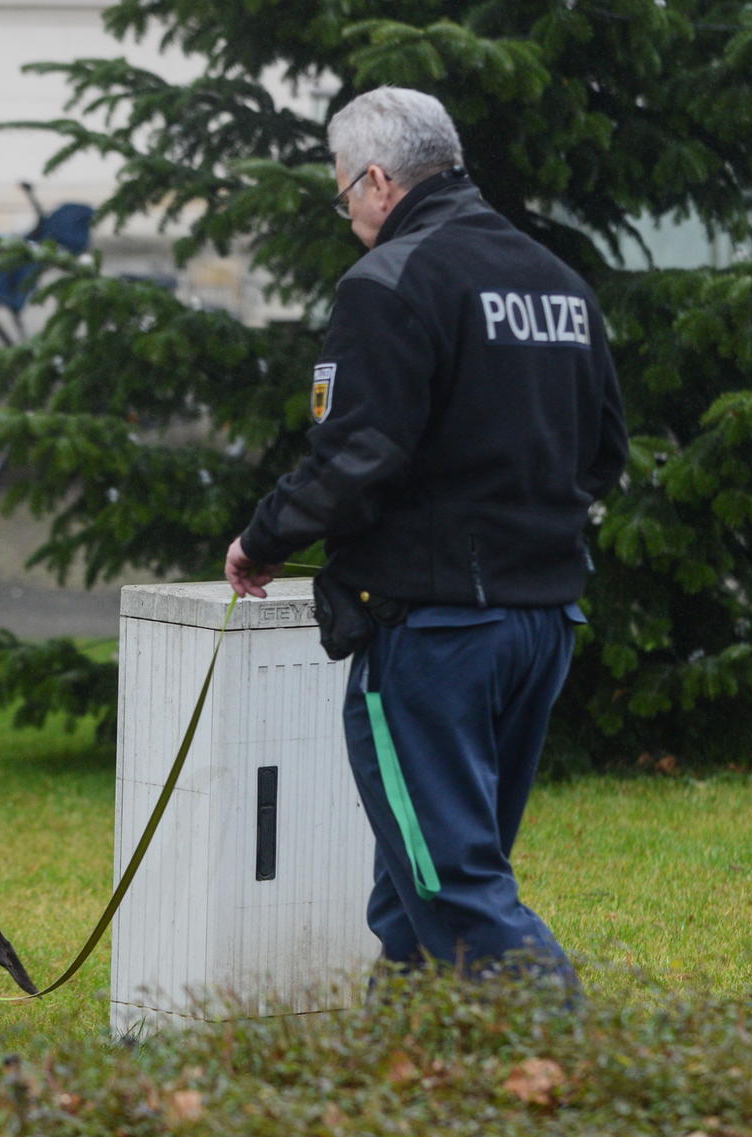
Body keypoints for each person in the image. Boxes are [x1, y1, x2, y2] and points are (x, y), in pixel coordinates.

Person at [223, 86, 628, 987]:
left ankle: (571, 1059)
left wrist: (264, 538)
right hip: (542, 621)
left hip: (435, 632)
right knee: (419, 868)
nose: (349, 217)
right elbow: (604, 454)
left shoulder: (390, 282)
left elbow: (356, 454)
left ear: (377, 180)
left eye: (344, 195)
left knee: (452, 879)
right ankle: (409, 1068)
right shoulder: (559, 284)